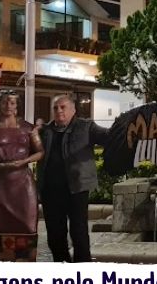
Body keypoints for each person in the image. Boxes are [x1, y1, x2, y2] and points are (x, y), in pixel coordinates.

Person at [38, 94, 109, 262]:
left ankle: (82, 272)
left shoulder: (86, 127)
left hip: (77, 188)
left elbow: (108, 136)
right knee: (55, 234)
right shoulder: (45, 131)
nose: (59, 111)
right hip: (50, 191)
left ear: (73, 110)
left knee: (79, 232)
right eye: (55, 108)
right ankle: (62, 270)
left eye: (63, 107)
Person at [0, 90, 44, 261]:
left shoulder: (28, 128)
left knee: (26, 226)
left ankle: (25, 268)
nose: (8, 106)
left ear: (17, 106)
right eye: (5, 102)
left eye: (12, 103)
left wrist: (24, 161)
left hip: (22, 184)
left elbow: (40, 151)